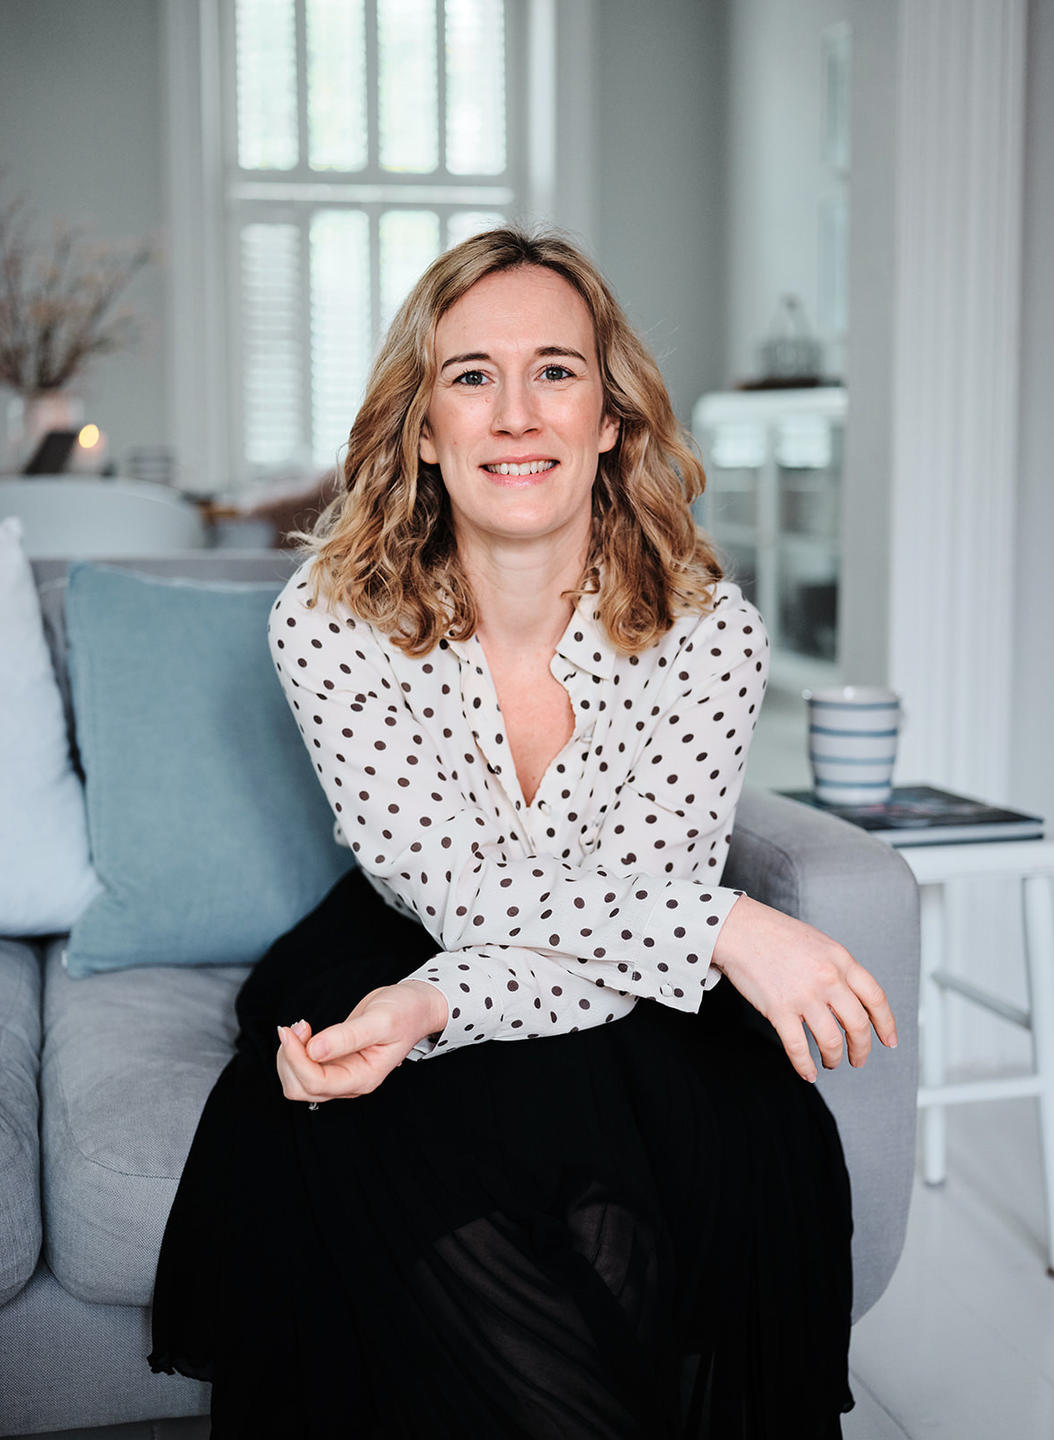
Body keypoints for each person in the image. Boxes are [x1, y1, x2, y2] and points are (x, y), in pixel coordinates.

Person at [149, 227, 897, 1439]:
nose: (514, 414)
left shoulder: (712, 636)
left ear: (610, 418)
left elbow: (613, 929)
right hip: (402, 938)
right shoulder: (327, 623)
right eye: (470, 375)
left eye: (555, 370)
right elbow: (465, 892)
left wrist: (436, 1009)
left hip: (621, 977)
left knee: (712, 1155)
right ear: (423, 424)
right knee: (395, 1152)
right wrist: (723, 925)